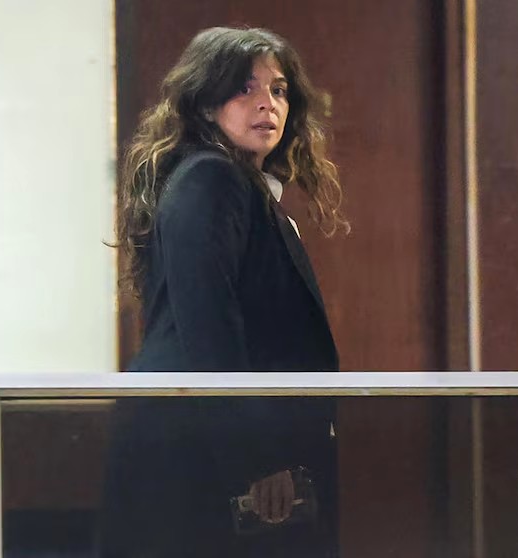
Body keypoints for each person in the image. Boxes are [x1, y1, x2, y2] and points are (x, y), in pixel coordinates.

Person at [99, 26, 348, 558]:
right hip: (204, 456)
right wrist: (257, 459)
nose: (267, 104)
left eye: (278, 90)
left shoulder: (241, 186)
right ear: (208, 105)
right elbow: (210, 329)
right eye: (244, 88)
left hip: (217, 447)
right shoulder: (208, 179)